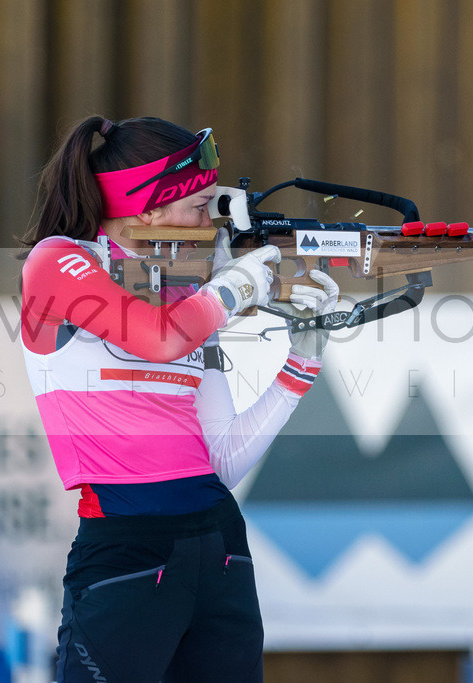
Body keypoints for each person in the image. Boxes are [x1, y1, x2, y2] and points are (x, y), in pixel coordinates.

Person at [18, 115, 336, 682]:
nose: (209, 221)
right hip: (128, 542)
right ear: (146, 208)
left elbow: (221, 462)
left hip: (218, 541)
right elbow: (159, 338)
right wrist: (236, 286)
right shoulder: (60, 260)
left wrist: (301, 363)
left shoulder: (186, 293)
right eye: (200, 205)